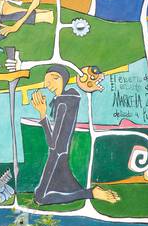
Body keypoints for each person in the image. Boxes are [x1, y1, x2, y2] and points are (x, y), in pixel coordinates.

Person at [30, 65, 119, 207]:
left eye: (50, 81)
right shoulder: (66, 99)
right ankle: (89, 193)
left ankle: (93, 193)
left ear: (59, 79)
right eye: (46, 82)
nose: (47, 85)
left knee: (40, 198)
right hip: (61, 153)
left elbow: (53, 143)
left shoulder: (63, 103)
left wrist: (42, 114)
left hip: (57, 154)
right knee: (62, 190)